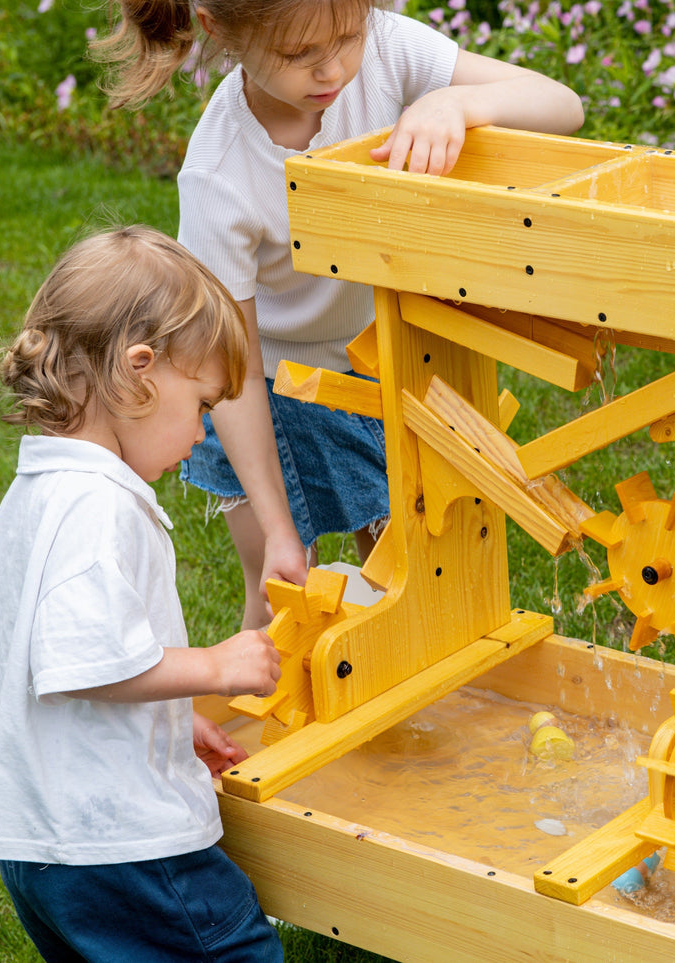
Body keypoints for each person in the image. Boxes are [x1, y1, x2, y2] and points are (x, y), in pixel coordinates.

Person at [93, 0, 586, 628]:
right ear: (222, 32)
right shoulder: (219, 175)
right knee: (284, 602)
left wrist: (456, 104)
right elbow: (235, 373)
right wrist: (277, 527)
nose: (333, 69)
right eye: (300, 55)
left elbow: (563, 105)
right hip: (266, 389)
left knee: (407, 584)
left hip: (378, 368)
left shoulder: (382, 49)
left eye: (345, 39)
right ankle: (260, 722)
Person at [0, 226, 285, 962]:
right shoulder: (98, 506)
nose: (203, 432)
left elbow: (53, 663)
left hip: (45, 844)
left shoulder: (40, 489)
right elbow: (92, 660)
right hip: (119, 844)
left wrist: (169, 722)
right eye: (203, 403)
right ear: (137, 372)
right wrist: (213, 669)